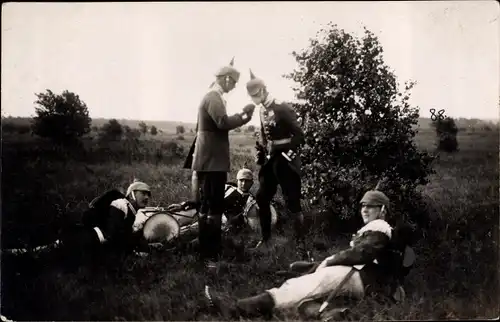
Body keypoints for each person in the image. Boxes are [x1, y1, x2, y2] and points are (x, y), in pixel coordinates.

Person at [204, 190, 415, 320]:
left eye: (371, 206)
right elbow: (361, 253)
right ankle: (330, 314)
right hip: (364, 279)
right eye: (363, 206)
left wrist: (329, 261)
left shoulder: (381, 228)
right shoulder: (377, 229)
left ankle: (237, 308)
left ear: (383, 210)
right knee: (306, 283)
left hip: (363, 278)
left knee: (302, 286)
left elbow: (362, 253)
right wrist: (317, 264)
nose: (365, 210)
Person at [189, 58, 256, 269]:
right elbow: (223, 123)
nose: (234, 86)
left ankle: (206, 250)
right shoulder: (213, 96)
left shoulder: (212, 96)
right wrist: (244, 116)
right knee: (213, 207)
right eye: (233, 82)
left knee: (208, 206)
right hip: (212, 161)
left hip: (209, 160)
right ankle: (210, 255)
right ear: (226, 79)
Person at [245, 69, 305, 254]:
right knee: (262, 198)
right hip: (270, 162)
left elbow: (299, 134)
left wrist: (289, 152)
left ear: (263, 90)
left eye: (256, 95)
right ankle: (266, 239)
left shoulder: (281, 107)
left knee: (292, 202)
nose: (254, 99)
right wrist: (260, 153)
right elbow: (264, 136)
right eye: (251, 96)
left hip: (285, 161)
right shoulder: (262, 109)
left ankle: (301, 244)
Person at [60, 181, 153, 265]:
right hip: (90, 240)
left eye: (148, 195)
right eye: (143, 193)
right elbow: (114, 233)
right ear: (132, 194)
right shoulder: (121, 204)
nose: (146, 197)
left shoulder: (131, 212)